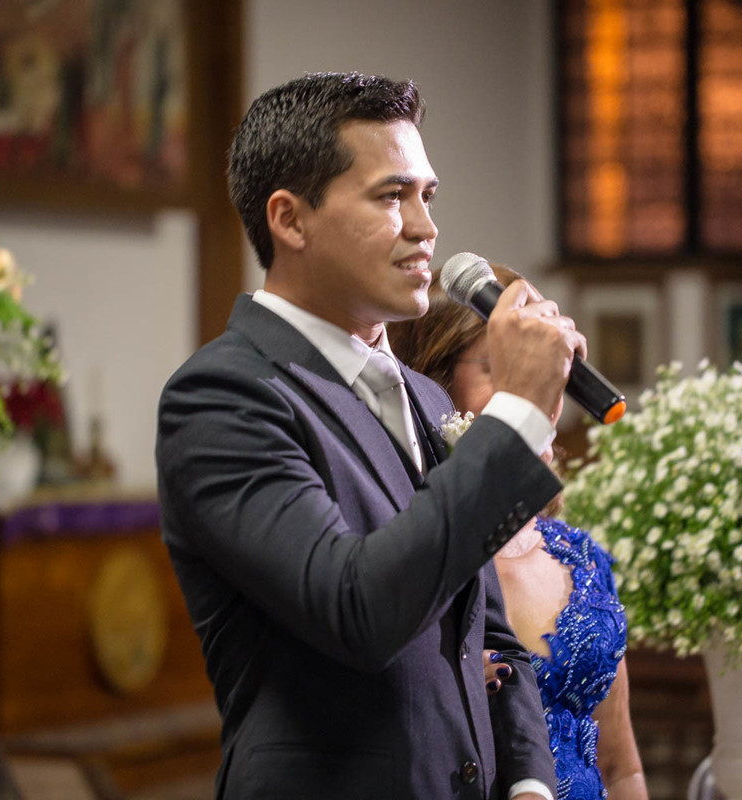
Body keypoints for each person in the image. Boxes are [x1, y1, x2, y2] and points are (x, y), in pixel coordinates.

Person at [156, 72, 586, 799]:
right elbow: (357, 611)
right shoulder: (223, 397)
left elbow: (488, 634)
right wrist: (515, 412)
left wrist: (527, 783)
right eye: (391, 197)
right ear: (290, 221)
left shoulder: (426, 395)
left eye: (428, 196)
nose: (426, 228)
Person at [389, 266, 650, 800]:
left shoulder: (579, 557)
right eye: (505, 368)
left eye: (546, 368)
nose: (538, 390)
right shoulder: (412, 559)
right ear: (434, 386)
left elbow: (620, 766)